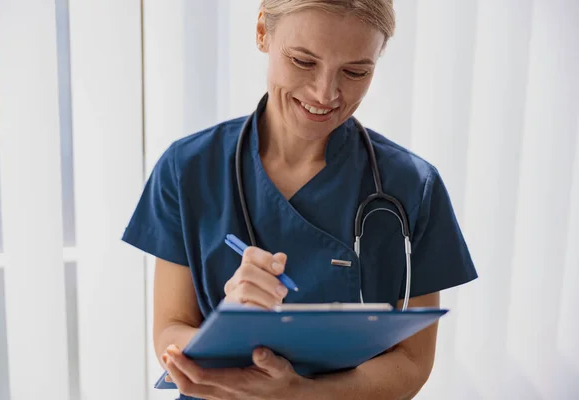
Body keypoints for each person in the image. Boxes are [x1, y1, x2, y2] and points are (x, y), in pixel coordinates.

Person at [122, 0, 478, 398]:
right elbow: (169, 332)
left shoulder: (413, 187)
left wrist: (298, 394)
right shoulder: (188, 168)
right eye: (303, 61)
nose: (325, 93)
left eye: (356, 71)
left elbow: (412, 362)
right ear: (262, 33)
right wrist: (228, 328)